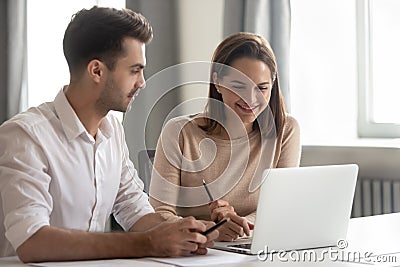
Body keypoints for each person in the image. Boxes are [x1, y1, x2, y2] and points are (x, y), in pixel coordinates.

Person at [0, 6, 218, 263]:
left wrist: (192, 231)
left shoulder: (111, 130)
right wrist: (149, 243)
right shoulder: (25, 136)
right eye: (135, 70)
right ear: (97, 71)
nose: (142, 82)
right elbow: (32, 242)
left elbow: (134, 209)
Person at [150, 32, 301, 242]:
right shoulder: (180, 132)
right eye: (239, 86)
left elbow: (281, 208)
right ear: (217, 83)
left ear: (273, 86)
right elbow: (158, 216)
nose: (250, 99)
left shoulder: (285, 130)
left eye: (262, 88)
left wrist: (238, 224)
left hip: (255, 246)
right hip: (197, 250)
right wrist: (211, 229)